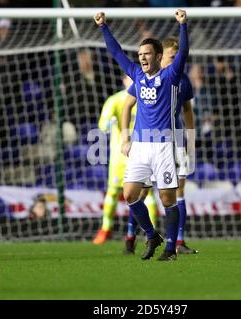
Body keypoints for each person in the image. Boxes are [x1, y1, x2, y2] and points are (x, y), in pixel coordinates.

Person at [94, 8, 189, 261]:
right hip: (140, 147)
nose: (143, 58)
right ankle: (151, 234)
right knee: (129, 195)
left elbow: (184, 53)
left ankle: (170, 249)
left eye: (147, 54)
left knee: (168, 199)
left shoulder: (171, 75)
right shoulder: (136, 75)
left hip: (163, 146)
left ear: (159, 56)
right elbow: (115, 53)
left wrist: (182, 26)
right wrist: (104, 27)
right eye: (140, 55)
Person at [122, 37, 198, 255]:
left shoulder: (181, 80)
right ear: (161, 56)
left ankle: (176, 243)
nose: (174, 59)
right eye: (170, 56)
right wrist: (125, 137)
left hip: (172, 142)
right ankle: (135, 235)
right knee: (138, 193)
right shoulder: (145, 77)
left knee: (173, 194)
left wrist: (190, 139)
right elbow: (127, 106)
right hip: (145, 142)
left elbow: (187, 111)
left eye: (176, 56)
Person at [92, 74, 158, 245]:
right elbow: (102, 125)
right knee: (113, 192)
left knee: (147, 193)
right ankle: (106, 229)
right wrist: (109, 123)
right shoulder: (115, 100)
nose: (132, 82)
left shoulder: (147, 98)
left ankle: (150, 231)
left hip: (142, 153)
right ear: (124, 80)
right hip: (119, 156)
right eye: (129, 78)